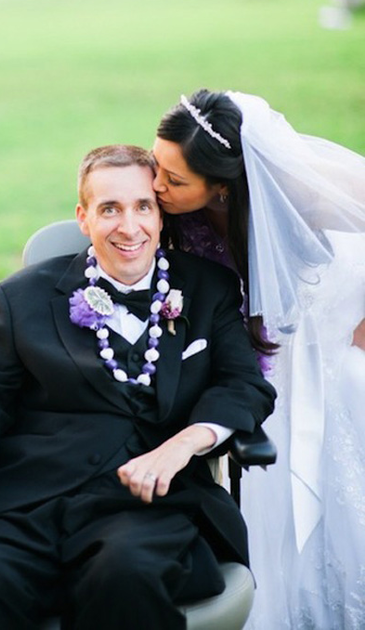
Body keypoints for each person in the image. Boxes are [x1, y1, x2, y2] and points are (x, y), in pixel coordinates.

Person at [0, 144, 275, 630]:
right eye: (110, 208)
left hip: (149, 503)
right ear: (83, 217)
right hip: (30, 496)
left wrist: (182, 446)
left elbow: (244, 384)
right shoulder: (22, 297)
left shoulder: (208, 289)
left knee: (126, 577)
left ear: (161, 215)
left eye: (143, 206)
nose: (129, 225)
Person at [152, 90, 365, 630]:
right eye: (158, 166)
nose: (157, 187)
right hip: (249, 362)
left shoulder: (297, 193)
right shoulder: (164, 203)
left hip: (324, 348)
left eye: (174, 181)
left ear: (221, 186)